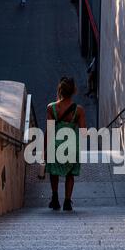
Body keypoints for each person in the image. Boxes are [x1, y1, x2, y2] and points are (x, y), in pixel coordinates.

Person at [45, 77, 87, 212]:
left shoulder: (51, 108)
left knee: (53, 173)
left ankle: (55, 198)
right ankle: (67, 202)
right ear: (74, 91)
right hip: (71, 146)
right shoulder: (79, 110)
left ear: (60, 90)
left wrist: (44, 148)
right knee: (70, 174)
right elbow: (83, 132)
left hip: (55, 145)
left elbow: (49, 130)